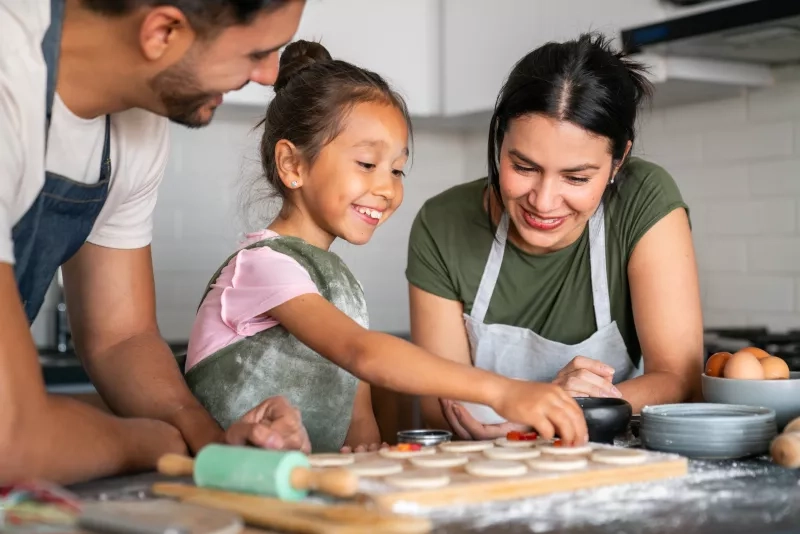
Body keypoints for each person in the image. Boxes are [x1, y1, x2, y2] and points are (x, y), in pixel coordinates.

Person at [184, 40, 589, 453]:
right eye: (367, 164)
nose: (387, 188)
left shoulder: (338, 285)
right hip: (229, 487)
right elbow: (363, 354)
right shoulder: (261, 266)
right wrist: (504, 392)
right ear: (293, 165)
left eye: (397, 170)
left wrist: (367, 455)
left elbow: (358, 413)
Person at [0, 0, 311, 485]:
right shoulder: (7, 78)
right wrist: (158, 442)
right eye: (258, 51)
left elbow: (120, 338)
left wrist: (210, 443)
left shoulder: (134, 122)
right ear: (163, 31)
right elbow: (11, 437)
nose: (271, 75)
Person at [406, 34, 704, 441]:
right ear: (499, 142)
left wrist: (556, 411)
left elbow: (679, 380)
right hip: (487, 470)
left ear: (618, 162)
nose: (544, 202)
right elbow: (441, 409)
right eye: (524, 167)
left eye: (576, 177)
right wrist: (547, 402)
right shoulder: (442, 223)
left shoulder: (644, 200)